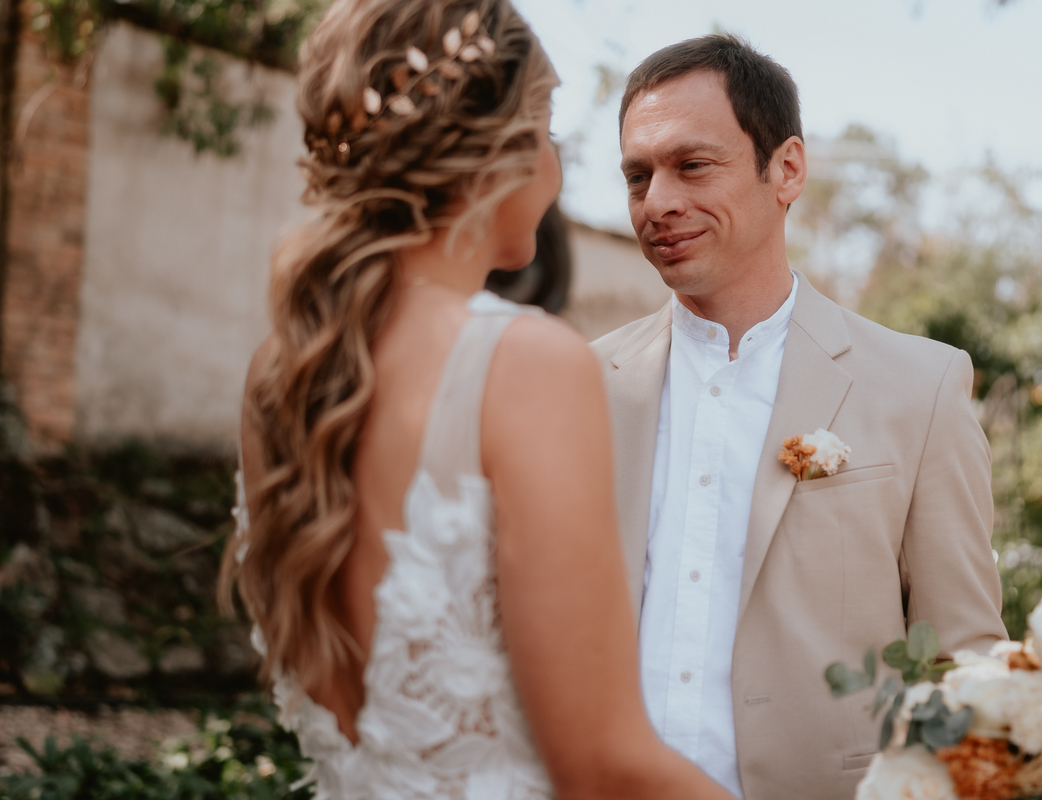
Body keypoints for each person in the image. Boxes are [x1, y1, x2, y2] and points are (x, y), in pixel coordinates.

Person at [218, 2, 737, 798]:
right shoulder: (524, 364)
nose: (552, 167)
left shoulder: (277, 372)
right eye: (547, 132)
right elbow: (603, 766)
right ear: (497, 149)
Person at [593, 35, 1008, 800]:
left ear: (786, 169)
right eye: (637, 176)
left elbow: (966, 661)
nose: (657, 203)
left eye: (692, 165)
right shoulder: (579, 386)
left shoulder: (921, 386)